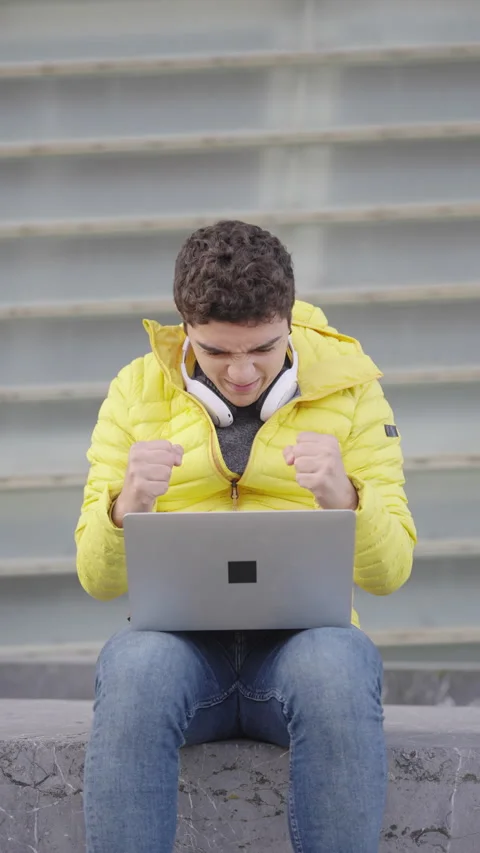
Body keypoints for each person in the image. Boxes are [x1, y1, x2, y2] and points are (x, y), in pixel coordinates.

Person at [75, 219, 416, 853]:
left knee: (338, 667)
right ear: (186, 329)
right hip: (180, 658)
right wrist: (126, 506)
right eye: (216, 351)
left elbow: (390, 571)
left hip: (302, 656)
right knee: (135, 668)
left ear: (288, 322)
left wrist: (346, 499)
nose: (239, 374)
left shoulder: (352, 390)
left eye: (262, 349)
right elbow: (97, 580)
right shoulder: (135, 390)